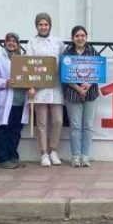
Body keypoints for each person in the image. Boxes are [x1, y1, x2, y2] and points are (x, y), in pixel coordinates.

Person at [27, 13, 66, 167]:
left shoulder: (58, 43)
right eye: (40, 24)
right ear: (36, 26)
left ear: (50, 25)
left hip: (55, 86)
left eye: (46, 24)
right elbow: (28, 65)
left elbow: (65, 62)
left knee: (58, 120)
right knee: (41, 122)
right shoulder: (32, 43)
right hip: (39, 87)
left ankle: (53, 151)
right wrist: (30, 86)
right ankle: (43, 153)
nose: (43, 27)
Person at [62, 25, 102, 167]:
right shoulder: (67, 53)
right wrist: (78, 88)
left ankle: (85, 156)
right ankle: (75, 156)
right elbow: (64, 74)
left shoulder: (93, 52)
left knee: (88, 126)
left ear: (86, 37)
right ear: (72, 38)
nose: (80, 38)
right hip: (72, 93)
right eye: (77, 36)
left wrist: (89, 84)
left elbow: (99, 70)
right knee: (75, 126)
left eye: (82, 36)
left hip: (91, 93)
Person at [0, 32, 29, 169]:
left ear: (18, 44)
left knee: (15, 130)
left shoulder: (23, 59)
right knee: (2, 129)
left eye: (14, 41)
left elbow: (29, 77)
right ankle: (2, 159)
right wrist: (4, 82)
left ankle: (13, 157)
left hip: (19, 100)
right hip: (4, 99)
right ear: (4, 42)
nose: (11, 43)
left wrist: (31, 87)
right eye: (9, 41)